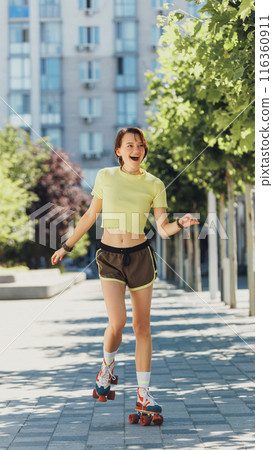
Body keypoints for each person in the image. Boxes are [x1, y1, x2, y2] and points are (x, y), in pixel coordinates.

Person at [51, 127, 199, 414]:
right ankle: (106, 369)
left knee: (142, 327)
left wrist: (181, 223)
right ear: (119, 151)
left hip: (141, 256)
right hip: (110, 257)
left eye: (140, 145)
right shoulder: (105, 176)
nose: (136, 149)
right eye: (130, 144)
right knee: (117, 322)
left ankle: (143, 394)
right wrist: (66, 246)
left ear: (144, 150)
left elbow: (163, 229)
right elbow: (91, 215)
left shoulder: (155, 184)